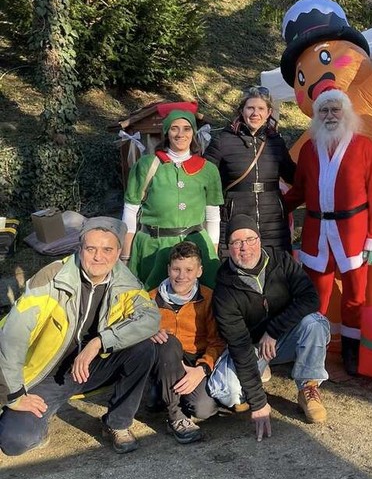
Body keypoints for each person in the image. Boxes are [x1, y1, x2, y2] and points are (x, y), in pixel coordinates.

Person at [0, 217, 159, 456]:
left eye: (107, 250)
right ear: (79, 248)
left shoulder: (124, 281)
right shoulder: (52, 279)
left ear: (117, 253)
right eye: (91, 249)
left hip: (92, 366)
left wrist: (99, 341)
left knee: (144, 348)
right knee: (15, 442)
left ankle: (117, 423)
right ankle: (40, 423)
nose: (98, 257)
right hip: (48, 376)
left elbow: (150, 318)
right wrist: (13, 395)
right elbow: (13, 337)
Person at [283, 89, 372, 375]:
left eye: (335, 110)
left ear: (346, 112)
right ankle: (312, 351)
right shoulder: (308, 149)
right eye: (324, 111)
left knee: (356, 296)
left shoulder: (364, 147)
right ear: (317, 116)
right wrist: (273, 207)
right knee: (316, 296)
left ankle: (352, 352)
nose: (330, 116)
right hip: (317, 232)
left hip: (353, 234)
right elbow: (300, 191)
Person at [213, 215, 331, 435]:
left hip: (282, 338)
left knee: (315, 323)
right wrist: (258, 402)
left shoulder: (281, 261)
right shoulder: (224, 288)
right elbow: (238, 345)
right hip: (252, 348)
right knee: (229, 394)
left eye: (250, 239)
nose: (244, 247)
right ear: (228, 248)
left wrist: (274, 329)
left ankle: (308, 386)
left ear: (259, 239)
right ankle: (258, 376)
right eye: (236, 242)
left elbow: (310, 298)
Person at [121, 108, 224, 289]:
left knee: (200, 302)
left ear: (193, 132)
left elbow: (213, 216)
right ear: (167, 132)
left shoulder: (208, 170)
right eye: (174, 128)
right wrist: (126, 253)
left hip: (195, 245)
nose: (180, 134)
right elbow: (130, 210)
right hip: (152, 247)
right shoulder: (147, 165)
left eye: (186, 128)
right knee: (148, 301)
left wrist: (211, 254)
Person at [148, 241, 225, 444]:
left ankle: (177, 399)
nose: (181, 276)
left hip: (194, 361)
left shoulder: (208, 298)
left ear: (199, 271)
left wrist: (202, 368)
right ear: (168, 269)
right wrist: (148, 333)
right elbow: (134, 331)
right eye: (176, 269)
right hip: (162, 361)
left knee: (203, 409)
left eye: (189, 270)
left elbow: (217, 341)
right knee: (168, 343)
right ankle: (176, 415)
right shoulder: (150, 299)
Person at [206, 86, 296, 255]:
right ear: (241, 110)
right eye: (250, 108)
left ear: (269, 112)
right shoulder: (223, 141)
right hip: (236, 217)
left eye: (261, 108)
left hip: (273, 222)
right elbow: (205, 179)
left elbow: (294, 176)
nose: (256, 113)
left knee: (276, 272)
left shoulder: (276, 142)